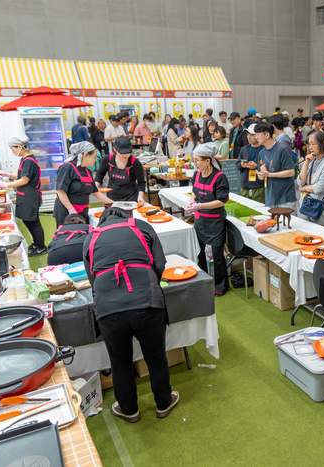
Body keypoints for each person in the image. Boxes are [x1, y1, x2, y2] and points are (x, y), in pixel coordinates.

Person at [83, 207, 178, 423]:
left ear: (102, 222)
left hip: (108, 309)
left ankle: (129, 410)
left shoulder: (91, 238)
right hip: (147, 302)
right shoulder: (142, 226)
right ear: (127, 217)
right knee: (155, 357)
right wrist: (148, 281)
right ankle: (163, 403)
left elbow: (93, 278)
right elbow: (160, 264)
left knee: (120, 362)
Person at [185, 143, 230, 296]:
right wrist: (192, 201)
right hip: (199, 221)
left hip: (215, 221)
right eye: (194, 160)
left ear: (208, 161)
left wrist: (200, 206)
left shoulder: (220, 177)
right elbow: (194, 191)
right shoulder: (197, 174)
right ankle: (203, 281)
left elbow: (221, 201)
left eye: (197, 160)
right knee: (200, 252)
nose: (195, 164)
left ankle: (221, 285)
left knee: (217, 255)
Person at [0, 135, 46, 256]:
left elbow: (24, 180)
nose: (12, 152)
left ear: (19, 147)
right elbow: (21, 176)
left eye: (12, 149)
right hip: (24, 195)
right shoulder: (24, 159)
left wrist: (5, 184)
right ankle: (36, 243)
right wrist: (7, 175)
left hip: (30, 196)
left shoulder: (28, 161)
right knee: (27, 221)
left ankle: (41, 246)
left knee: (33, 222)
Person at [54, 142, 113, 227]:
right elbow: (60, 191)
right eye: (94, 157)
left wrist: (114, 204)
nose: (95, 160)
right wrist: (71, 210)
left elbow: (95, 192)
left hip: (83, 212)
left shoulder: (87, 172)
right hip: (66, 213)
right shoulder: (67, 168)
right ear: (85, 155)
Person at [297, 131, 324, 227]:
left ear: (321, 144)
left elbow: (319, 188)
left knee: (320, 237)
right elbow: (299, 181)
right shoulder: (311, 160)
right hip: (307, 204)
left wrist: (304, 188)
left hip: (320, 207)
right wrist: (306, 163)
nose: (310, 147)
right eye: (309, 144)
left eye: (313, 144)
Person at [256, 122, 296, 209]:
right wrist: (261, 174)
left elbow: (291, 172)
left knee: (287, 222)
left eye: (258, 135)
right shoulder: (261, 153)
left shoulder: (282, 148)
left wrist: (269, 174)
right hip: (270, 198)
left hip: (285, 198)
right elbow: (261, 178)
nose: (256, 138)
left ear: (267, 135)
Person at [96, 137, 147, 203]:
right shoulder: (107, 159)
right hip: (111, 198)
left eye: (128, 152)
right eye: (122, 153)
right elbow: (100, 174)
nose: (126, 155)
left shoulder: (135, 163)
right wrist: (96, 185)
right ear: (115, 149)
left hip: (131, 198)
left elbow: (141, 182)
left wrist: (140, 196)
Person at [236, 124, 265, 204]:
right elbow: (237, 164)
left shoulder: (264, 149)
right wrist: (241, 164)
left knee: (259, 213)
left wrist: (256, 166)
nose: (249, 137)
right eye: (248, 134)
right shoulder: (244, 149)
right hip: (245, 187)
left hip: (259, 187)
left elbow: (269, 167)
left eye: (252, 135)